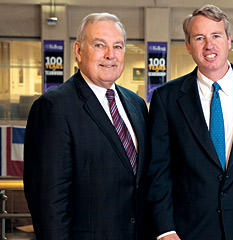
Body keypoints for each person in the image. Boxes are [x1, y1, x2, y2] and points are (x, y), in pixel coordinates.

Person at [147, 4, 233, 240]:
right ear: (188, 46)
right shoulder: (166, 98)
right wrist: (165, 229)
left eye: (216, 36)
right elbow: (159, 170)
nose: (209, 45)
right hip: (188, 230)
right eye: (199, 38)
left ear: (229, 40)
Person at [23, 13, 150, 240]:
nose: (110, 55)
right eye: (100, 45)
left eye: (118, 46)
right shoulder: (54, 108)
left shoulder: (137, 104)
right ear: (79, 51)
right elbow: (48, 204)